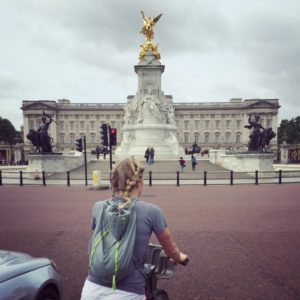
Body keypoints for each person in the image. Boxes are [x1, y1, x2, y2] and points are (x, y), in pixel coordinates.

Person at [81, 158, 188, 300]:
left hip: (92, 289)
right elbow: (170, 248)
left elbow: (103, 239)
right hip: (128, 293)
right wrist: (179, 257)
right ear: (138, 183)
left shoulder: (98, 207)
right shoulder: (151, 211)